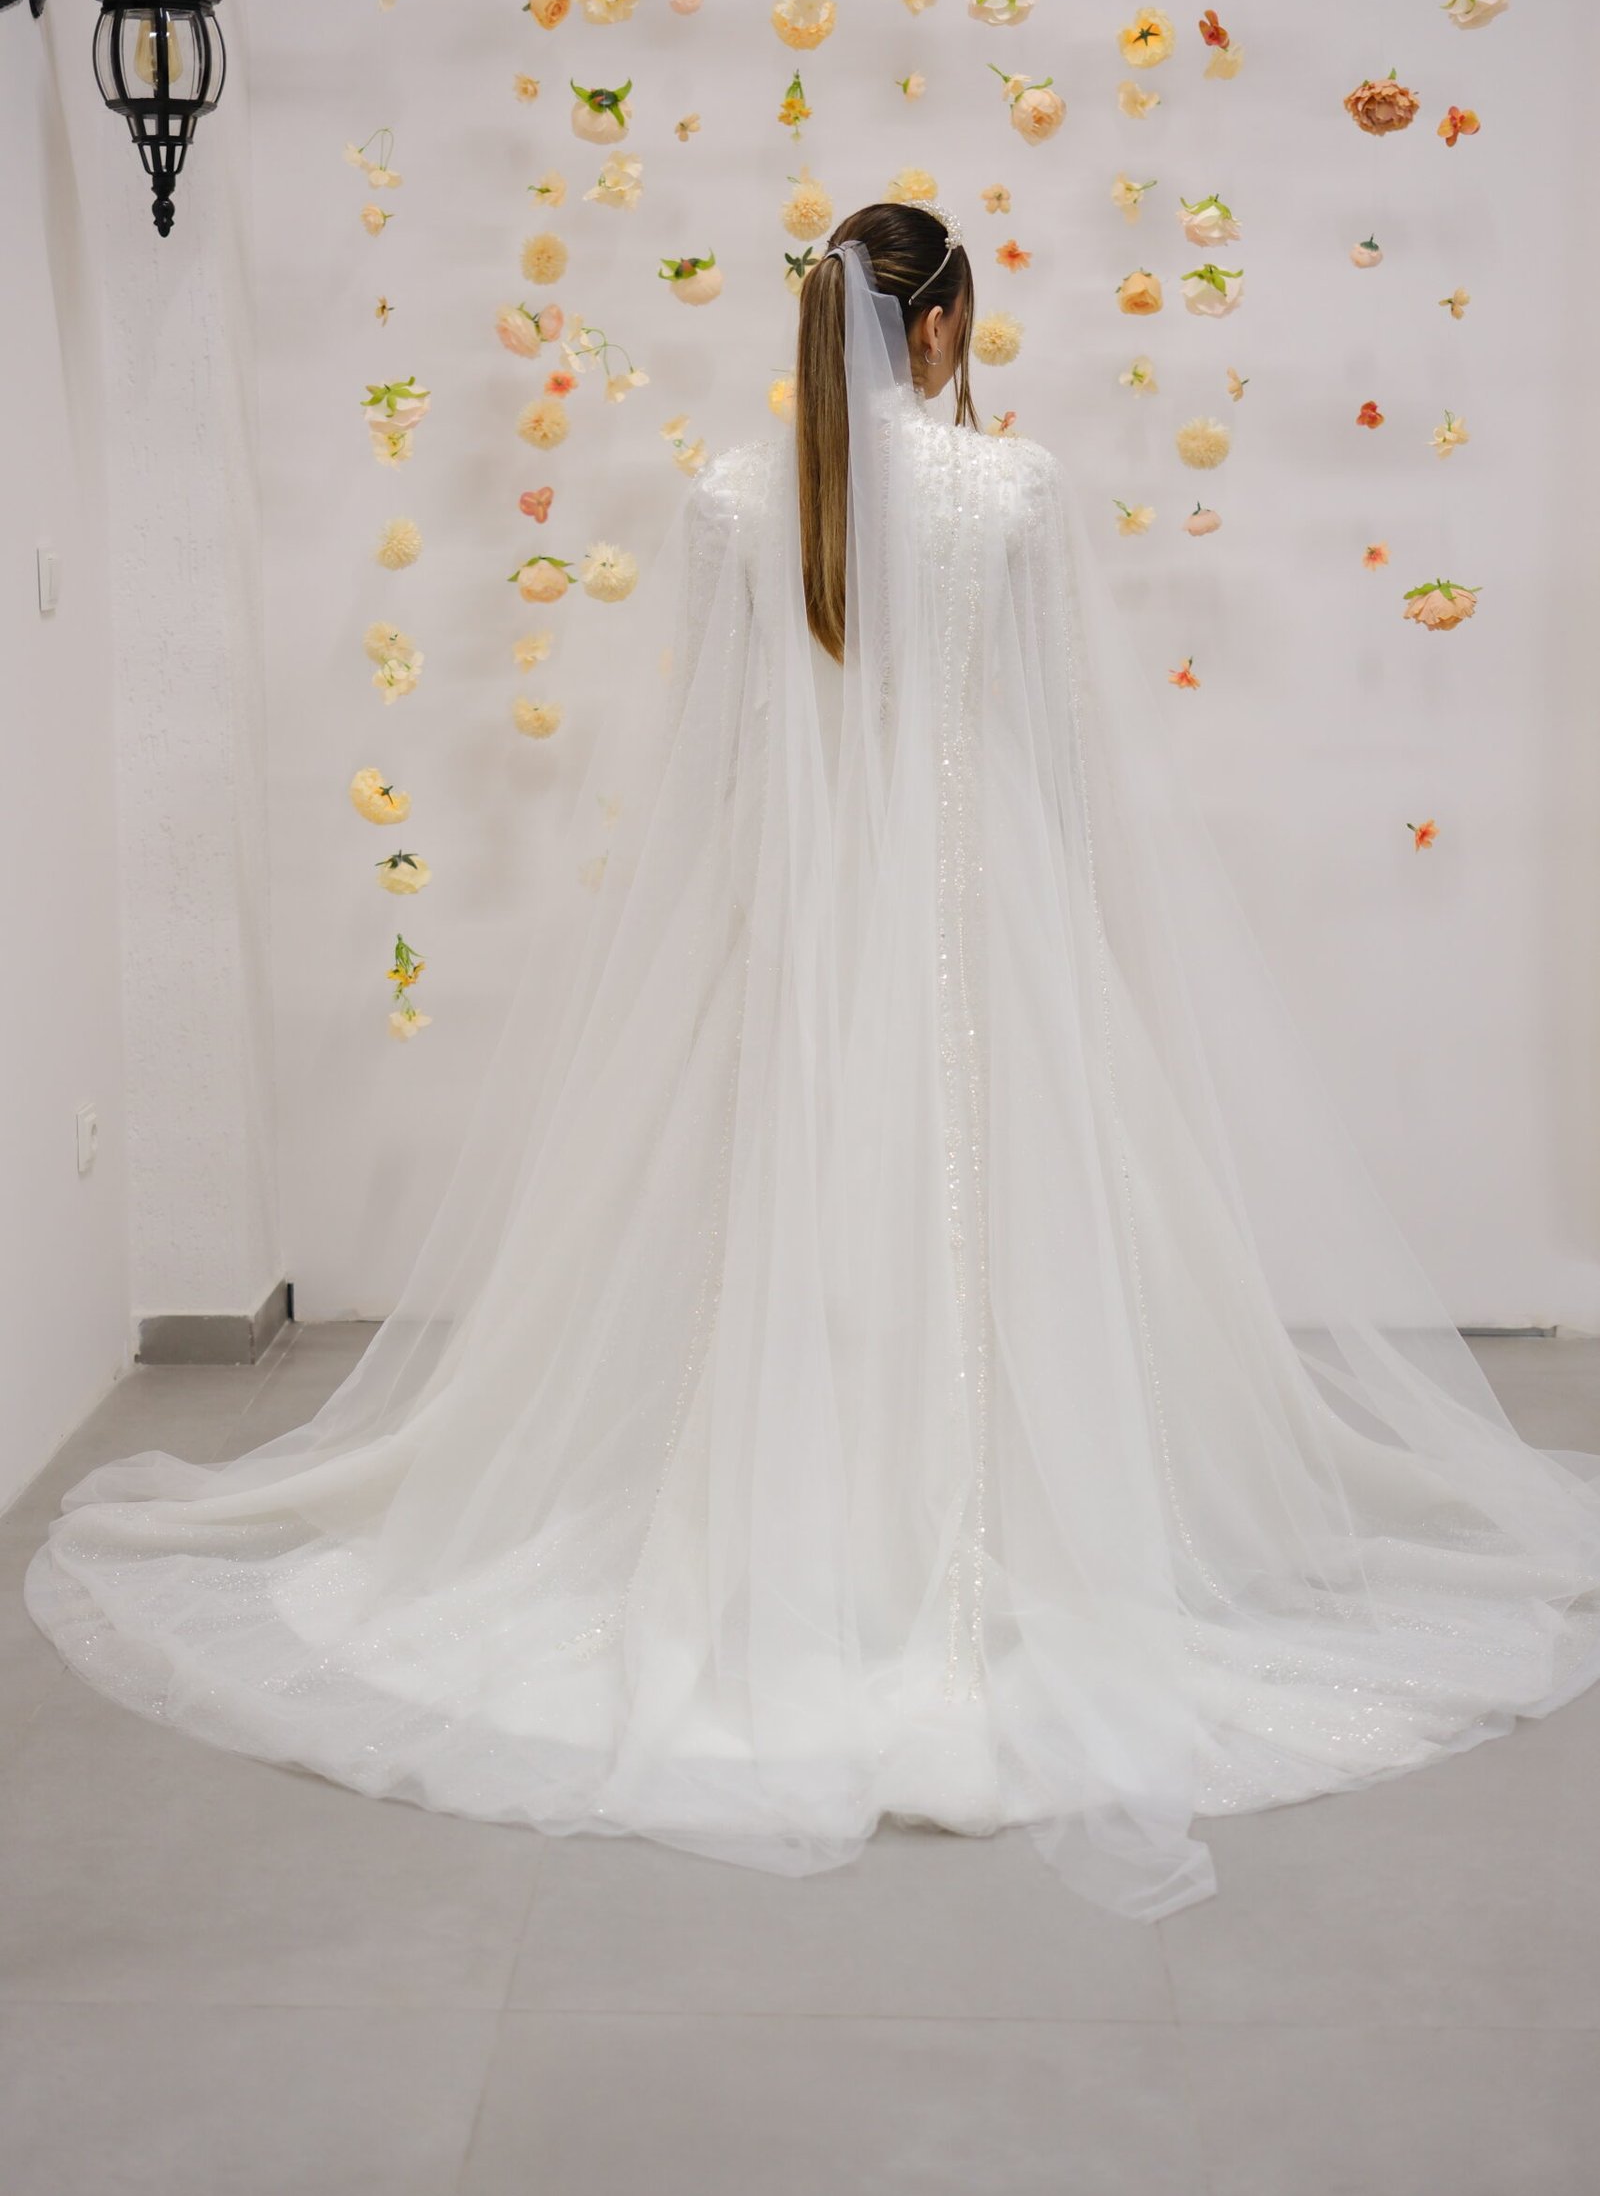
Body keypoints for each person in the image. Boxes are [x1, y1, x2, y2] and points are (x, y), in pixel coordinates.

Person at [23, 202, 1600, 1920]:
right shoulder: (1014, 490)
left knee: (787, 1215)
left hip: (792, 917)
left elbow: (718, 763)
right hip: (983, 911)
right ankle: (996, 1539)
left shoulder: (727, 499)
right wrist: (1066, 933)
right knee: (993, 1212)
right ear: (938, 328)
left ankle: (801, 1536)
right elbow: (1054, 745)